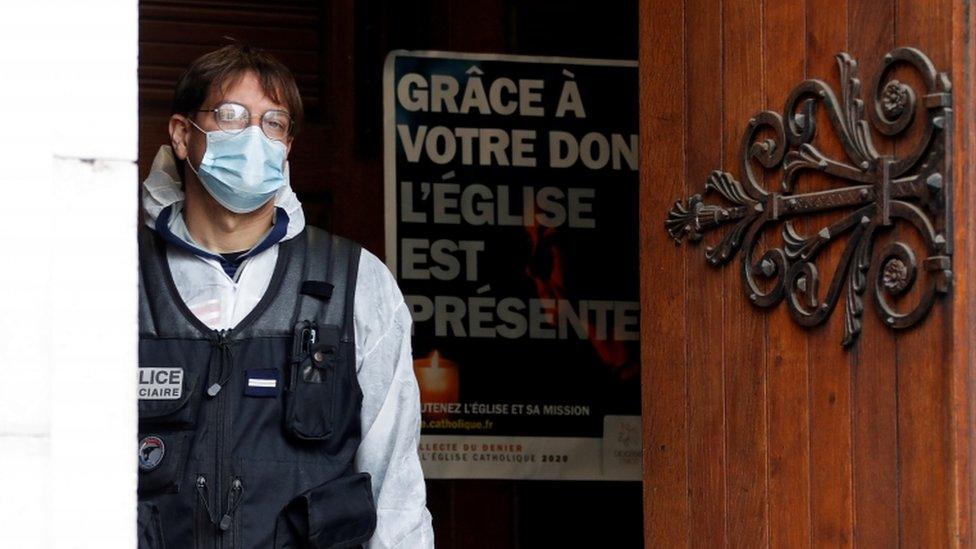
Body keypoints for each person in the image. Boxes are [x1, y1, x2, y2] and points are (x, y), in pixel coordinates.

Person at [136, 44, 434, 548]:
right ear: (183, 136)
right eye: (231, 116)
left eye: (273, 123)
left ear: (288, 147)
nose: (255, 136)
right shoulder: (117, 279)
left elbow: (396, 487)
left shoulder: (355, 281)